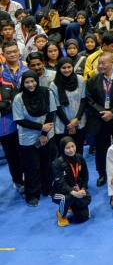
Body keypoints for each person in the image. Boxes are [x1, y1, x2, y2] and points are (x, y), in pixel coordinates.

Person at [13, 69, 56, 206]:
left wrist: (44, 134)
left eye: (32, 81)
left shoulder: (47, 92)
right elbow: (20, 120)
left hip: (47, 134)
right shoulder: (19, 98)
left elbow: (51, 113)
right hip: (27, 137)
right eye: (27, 82)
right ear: (23, 83)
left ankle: (47, 188)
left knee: (46, 163)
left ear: (37, 81)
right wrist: (40, 128)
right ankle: (32, 194)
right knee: (31, 167)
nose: (30, 84)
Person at [84, 52, 113, 189]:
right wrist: (103, 113)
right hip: (100, 120)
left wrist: (112, 112)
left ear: (112, 62)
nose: (101, 66)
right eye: (99, 63)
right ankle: (103, 173)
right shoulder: (93, 81)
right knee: (101, 149)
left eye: (104, 63)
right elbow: (90, 100)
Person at [52, 135, 90, 226]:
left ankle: (71, 205)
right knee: (66, 198)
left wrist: (83, 189)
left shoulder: (79, 158)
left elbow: (85, 176)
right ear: (62, 149)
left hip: (75, 189)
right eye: (67, 148)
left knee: (83, 217)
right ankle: (61, 214)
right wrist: (75, 193)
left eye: (73, 146)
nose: (71, 150)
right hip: (59, 192)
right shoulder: (57, 164)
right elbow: (61, 184)